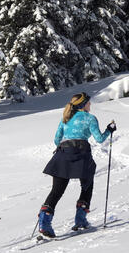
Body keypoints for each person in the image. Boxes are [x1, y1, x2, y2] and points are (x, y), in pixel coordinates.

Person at [38, 92, 116, 238]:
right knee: (87, 186)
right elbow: (99, 139)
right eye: (88, 102)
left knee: (56, 191)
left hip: (63, 154)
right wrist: (109, 130)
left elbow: (56, 140)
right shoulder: (90, 118)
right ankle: (80, 220)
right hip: (82, 154)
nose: (90, 104)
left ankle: (44, 223)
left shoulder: (65, 118)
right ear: (83, 104)